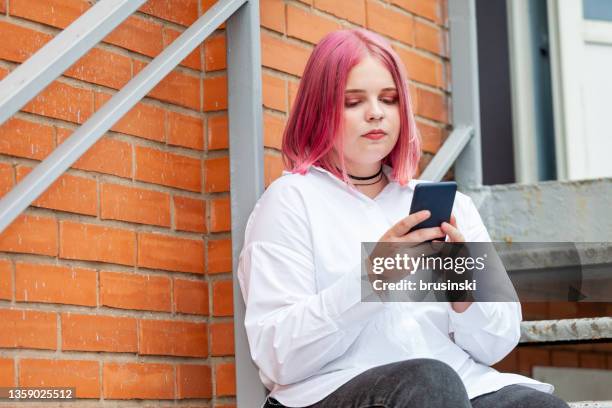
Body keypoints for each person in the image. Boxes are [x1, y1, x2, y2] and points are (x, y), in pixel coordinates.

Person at [237, 29, 568, 408]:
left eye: (389, 99)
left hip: (457, 385)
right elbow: (279, 355)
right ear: (320, 109)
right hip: (331, 390)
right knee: (429, 382)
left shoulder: (450, 205)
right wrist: (372, 277)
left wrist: (462, 289)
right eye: (353, 101)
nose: (376, 112)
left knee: (536, 406)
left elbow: (497, 343)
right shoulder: (290, 201)